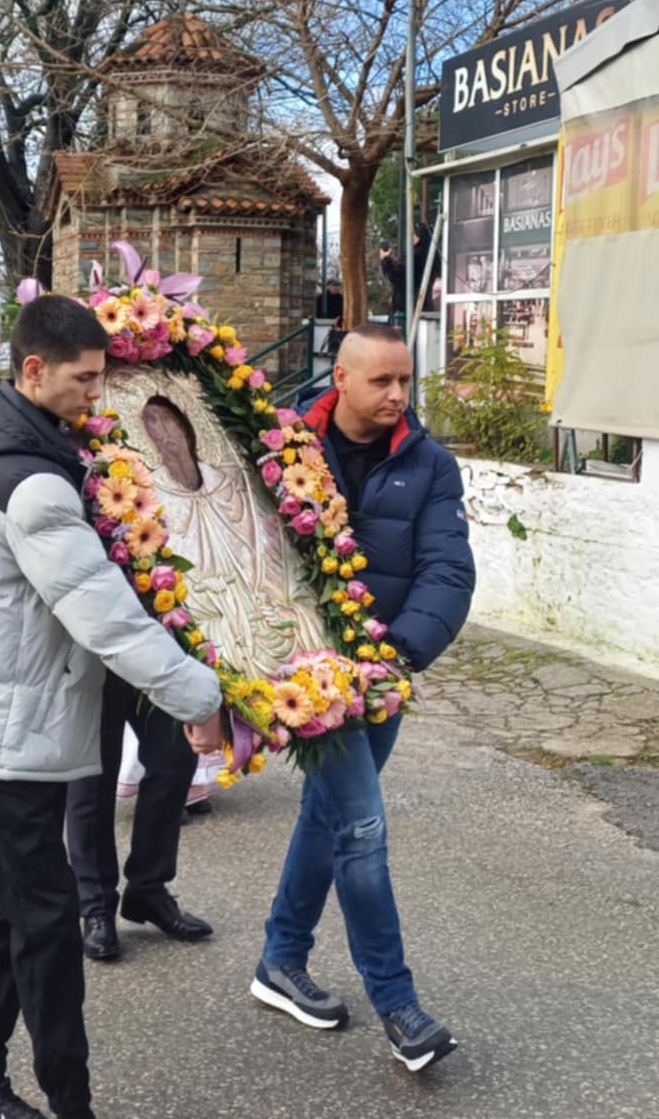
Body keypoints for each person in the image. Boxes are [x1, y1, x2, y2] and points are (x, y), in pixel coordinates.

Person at [0, 294, 225, 1119]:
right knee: (45, 925)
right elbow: (104, 613)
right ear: (34, 371)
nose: (97, 394)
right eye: (85, 379)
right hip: (11, 734)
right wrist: (200, 693)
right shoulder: (32, 483)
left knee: (2, 909)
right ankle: (67, 1103)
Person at [254, 321, 471, 1073]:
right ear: (339, 379)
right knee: (361, 830)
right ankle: (398, 1007)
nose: (398, 395)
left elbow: (449, 571)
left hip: (382, 678)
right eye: (381, 381)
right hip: (302, 678)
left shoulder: (430, 464)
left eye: (405, 380)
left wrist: (397, 656)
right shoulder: (280, 450)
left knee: (329, 815)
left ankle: (280, 960)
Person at [63, 399, 214, 964]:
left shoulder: (169, 452)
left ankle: (148, 889)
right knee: (91, 781)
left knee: (172, 763)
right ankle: (95, 903)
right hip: (95, 641)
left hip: (161, 634)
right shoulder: (73, 448)